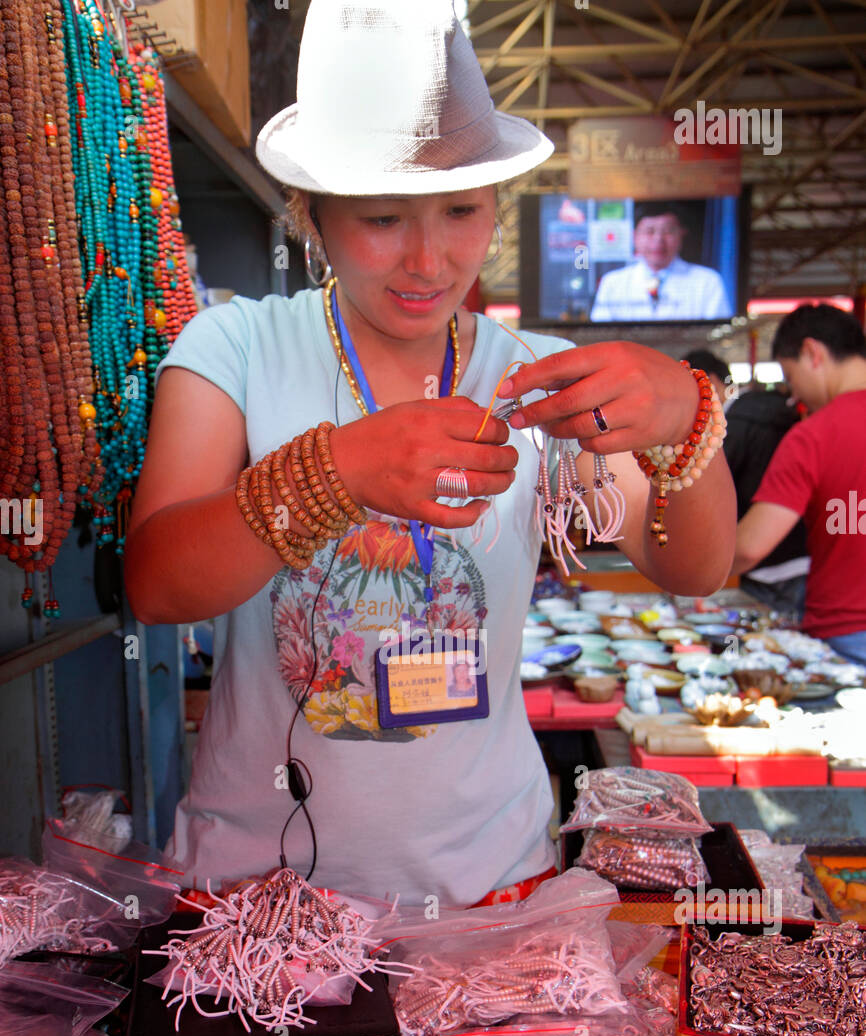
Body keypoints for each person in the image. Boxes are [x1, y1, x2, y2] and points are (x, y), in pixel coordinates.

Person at [125, 0, 736, 907]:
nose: (427, 259)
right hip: (264, 893)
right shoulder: (235, 347)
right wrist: (334, 472)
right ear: (313, 214)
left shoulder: (534, 378)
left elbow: (695, 566)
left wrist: (689, 424)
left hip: (492, 882)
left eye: (461, 210)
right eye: (381, 218)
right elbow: (157, 581)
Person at [733, 304, 866, 662]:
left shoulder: (815, 435)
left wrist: (686, 575)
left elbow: (748, 547)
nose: (793, 395)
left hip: (845, 635)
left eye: (791, 377)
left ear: (812, 353)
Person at [684, 349, 809, 620]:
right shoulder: (779, 414)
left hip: (761, 559)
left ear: (710, 383)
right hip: (798, 556)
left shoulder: (734, 424)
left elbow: (712, 490)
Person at [591, 205, 732, 323]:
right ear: (635, 237)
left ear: (681, 235)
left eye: (668, 231)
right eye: (649, 231)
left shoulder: (708, 281)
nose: (658, 240)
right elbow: (600, 341)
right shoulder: (612, 283)